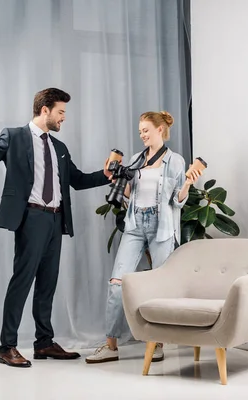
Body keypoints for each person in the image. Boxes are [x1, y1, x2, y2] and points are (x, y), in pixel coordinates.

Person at [0, 88, 112, 368]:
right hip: (30, 218)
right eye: (61, 112)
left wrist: (106, 175)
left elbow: (76, 180)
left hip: (56, 220)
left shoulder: (59, 148)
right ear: (45, 110)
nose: (64, 118)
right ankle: (7, 347)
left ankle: (44, 343)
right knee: (22, 280)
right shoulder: (14, 136)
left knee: (47, 283)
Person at [85, 111, 202, 364]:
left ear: (160, 130)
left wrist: (188, 185)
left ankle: (157, 342)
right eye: (140, 131)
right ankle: (110, 345)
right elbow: (128, 193)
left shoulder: (176, 161)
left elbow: (177, 202)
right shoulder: (137, 159)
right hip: (135, 222)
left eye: (146, 130)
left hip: (162, 225)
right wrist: (118, 177)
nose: (142, 135)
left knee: (159, 284)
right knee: (117, 281)